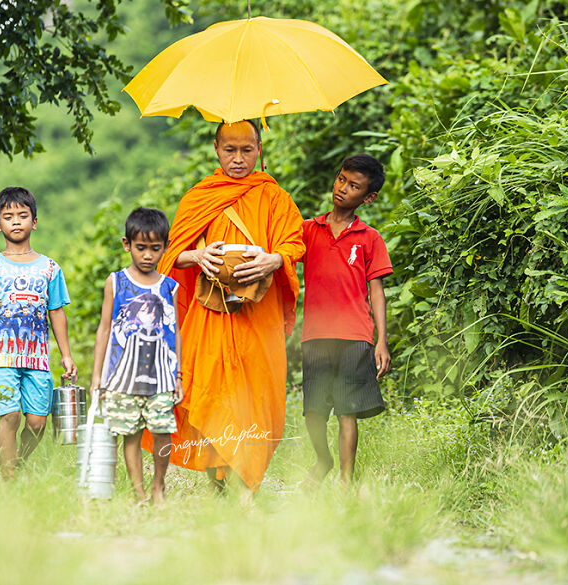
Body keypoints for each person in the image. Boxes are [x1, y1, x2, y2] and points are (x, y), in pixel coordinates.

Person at [142, 120, 305, 496]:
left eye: (247, 150)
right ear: (216, 149)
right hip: (210, 312)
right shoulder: (200, 196)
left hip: (257, 312)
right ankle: (220, 480)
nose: (238, 159)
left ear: (259, 149)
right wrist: (198, 255)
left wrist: (273, 261)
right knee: (213, 388)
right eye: (230, 150)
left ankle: (246, 481)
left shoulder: (274, 197)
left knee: (256, 391)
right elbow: (168, 256)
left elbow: (293, 243)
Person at [0, 187, 77, 479]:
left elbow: (57, 312)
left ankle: (17, 460)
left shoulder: (50, 268)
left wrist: (66, 356)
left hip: (37, 358)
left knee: (38, 422)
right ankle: (8, 479)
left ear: (34, 222)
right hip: (1, 357)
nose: (16, 222)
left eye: (23, 216)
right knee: (10, 415)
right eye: (8, 217)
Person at [300, 154, 392, 486]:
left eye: (354, 186)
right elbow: (280, 253)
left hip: (354, 335)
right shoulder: (309, 230)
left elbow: (377, 291)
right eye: (341, 179)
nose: (342, 189)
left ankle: (344, 479)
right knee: (313, 411)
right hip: (315, 334)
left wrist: (381, 341)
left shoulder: (370, 238)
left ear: (368, 197)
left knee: (346, 410)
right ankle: (322, 460)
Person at [90, 208, 183, 503]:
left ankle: (159, 484)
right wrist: (98, 376)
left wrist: (178, 374)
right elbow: (104, 329)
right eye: (141, 248)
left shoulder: (170, 287)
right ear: (126, 244)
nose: (147, 256)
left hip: (162, 375)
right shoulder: (115, 282)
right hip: (121, 375)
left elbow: (175, 332)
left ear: (165, 247)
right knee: (129, 433)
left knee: (162, 430)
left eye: (155, 249)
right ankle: (139, 491)